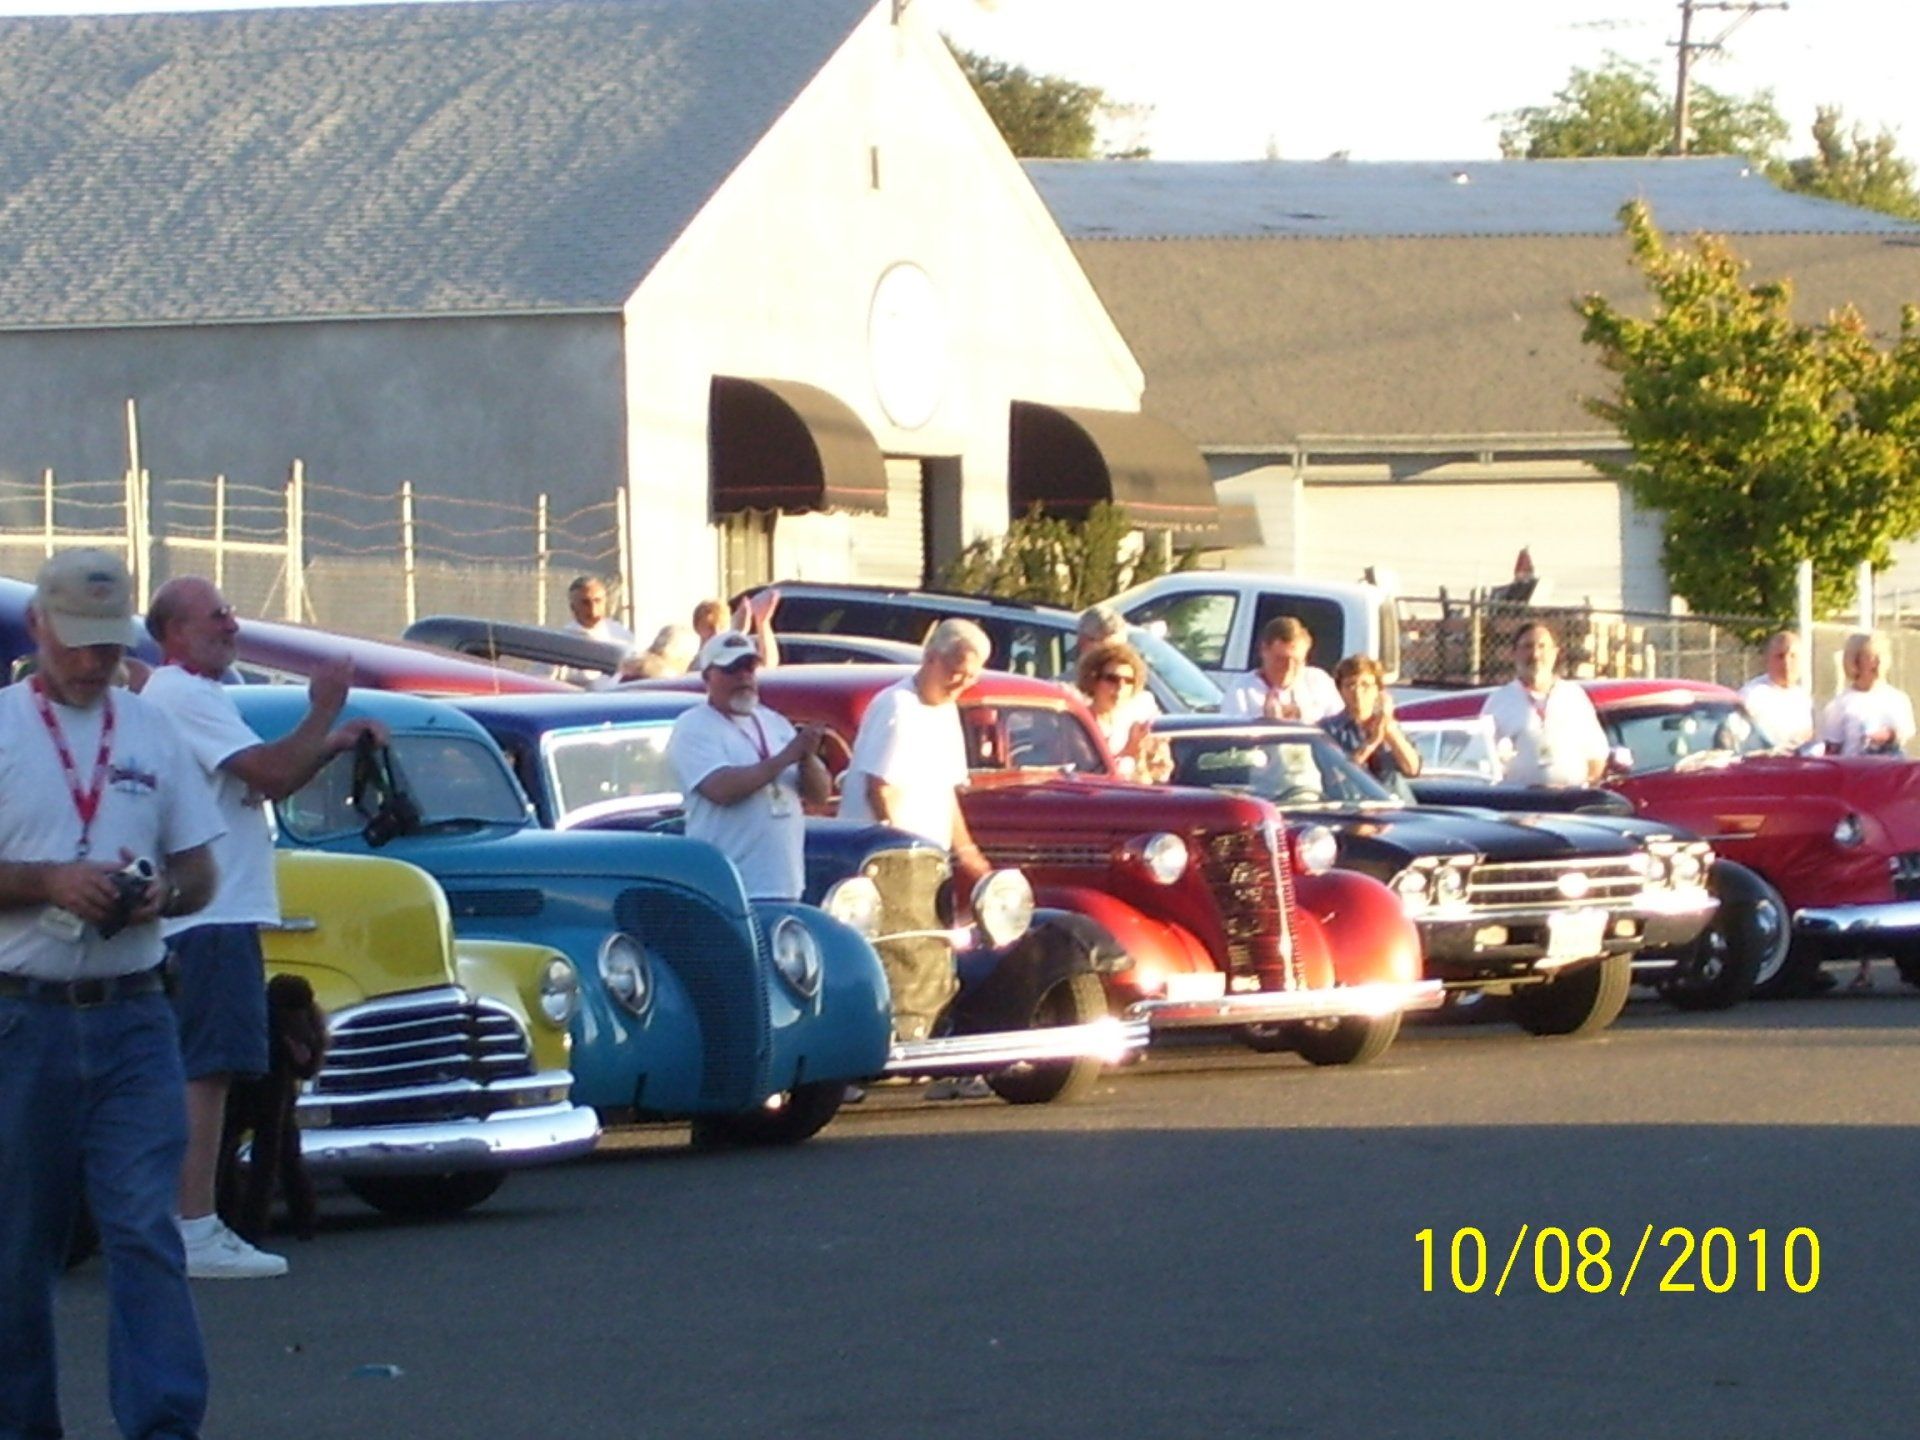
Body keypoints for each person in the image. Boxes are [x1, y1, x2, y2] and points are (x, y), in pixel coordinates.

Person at [1, 549, 223, 1440]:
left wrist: (162, 893)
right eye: (79, 642)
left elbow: (202, 871)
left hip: (133, 1012)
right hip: (20, 1017)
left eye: (110, 644)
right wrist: (50, 881)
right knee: (18, 1246)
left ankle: (163, 1424)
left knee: (142, 1228)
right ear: (39, 628)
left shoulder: (152, 729)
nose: (95, 662)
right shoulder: (3, 728)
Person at [142, 576, 384, 1279]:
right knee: (206, 1074)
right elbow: (272, 774)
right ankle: (193, 1226)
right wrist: (324, 706)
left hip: (218, 911)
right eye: (215, 616)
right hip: (209, 915)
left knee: (208, 1072)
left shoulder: (201, 696)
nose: (232, 625)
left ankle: (185, 1221)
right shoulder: (182, 694)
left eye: (230, 612)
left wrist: (332, 742)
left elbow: (256, 779)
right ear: (173, 633)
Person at [665, 631, 828, 902]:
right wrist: (787, 756)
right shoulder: (694, 726)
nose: (743, 677)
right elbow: (721, 789)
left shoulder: (774, 722)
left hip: (785, 885)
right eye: (731, 669)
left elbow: (819, 795)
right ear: (707, 677)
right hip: (728, 889)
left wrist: (807, 757)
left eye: (749, 668)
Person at [838, 618, 992, 885]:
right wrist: (904, 860)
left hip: (927, 860)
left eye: (971, 677)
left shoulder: (946, 710)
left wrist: (969, 854)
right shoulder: (898, 705)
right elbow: (881, 791)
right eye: (956, 673)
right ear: (931, 658)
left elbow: (944, 792)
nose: (961, 685)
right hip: (883, 861)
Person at [1480, 622, 1610, 787]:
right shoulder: (1499, 700)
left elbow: (1596, 753)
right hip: (1518, 800)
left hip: (1570, 799)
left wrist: (1587, 786)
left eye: (1542, 646)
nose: (1535, 654)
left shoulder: (1574, 696)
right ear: (1513, 653)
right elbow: (1482, 758)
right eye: (1527, 646)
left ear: (1555, 653)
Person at [1074, 638, 1169, 782]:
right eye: (1112, 679)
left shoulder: (1136, 719)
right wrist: (1129, 751)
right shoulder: (1079, 723)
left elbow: (1161, 775)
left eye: (1129, 681)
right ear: (1093, 680)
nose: (1120, 687)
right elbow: (1090, 776)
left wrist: (1154, 755)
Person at [1322, 653, 1421, 789]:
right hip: (1353, 798)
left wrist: (1389, 731)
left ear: (1378, 690)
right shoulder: (1329, 729)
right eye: (1350, 685)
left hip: (1393, 797)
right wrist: (1371, 743)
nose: (1357, 692)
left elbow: (1412, 769)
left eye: (1365, 685)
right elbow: (1336, 776)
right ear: (1340, 690)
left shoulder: (1390, 726)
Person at [1219, 616, 1342, 722]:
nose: (1288, 668)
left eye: (1296, 662)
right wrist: (1266, 722)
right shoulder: (1241, 691)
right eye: (1281, 660)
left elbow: (1340, 726)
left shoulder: (1319, 682)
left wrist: (1302, 714)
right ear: (1264, 651)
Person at [1818, 631, 1915, 758]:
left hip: (1892, 768)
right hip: (1855, 768)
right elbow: (1832, 750)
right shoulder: (1839, 705)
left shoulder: (1899, 699)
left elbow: (1906, 733)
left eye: (1883, 655)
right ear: (1855, 661)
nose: (1879, 661)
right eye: (1872, 656)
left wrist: (1889, 735)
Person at [1739, 630, 1815, 749]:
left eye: (1793, 656)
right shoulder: (1752, 696)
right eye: (1780, 656)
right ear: (1767, 660)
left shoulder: (1802, 697)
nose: (1786, 663)